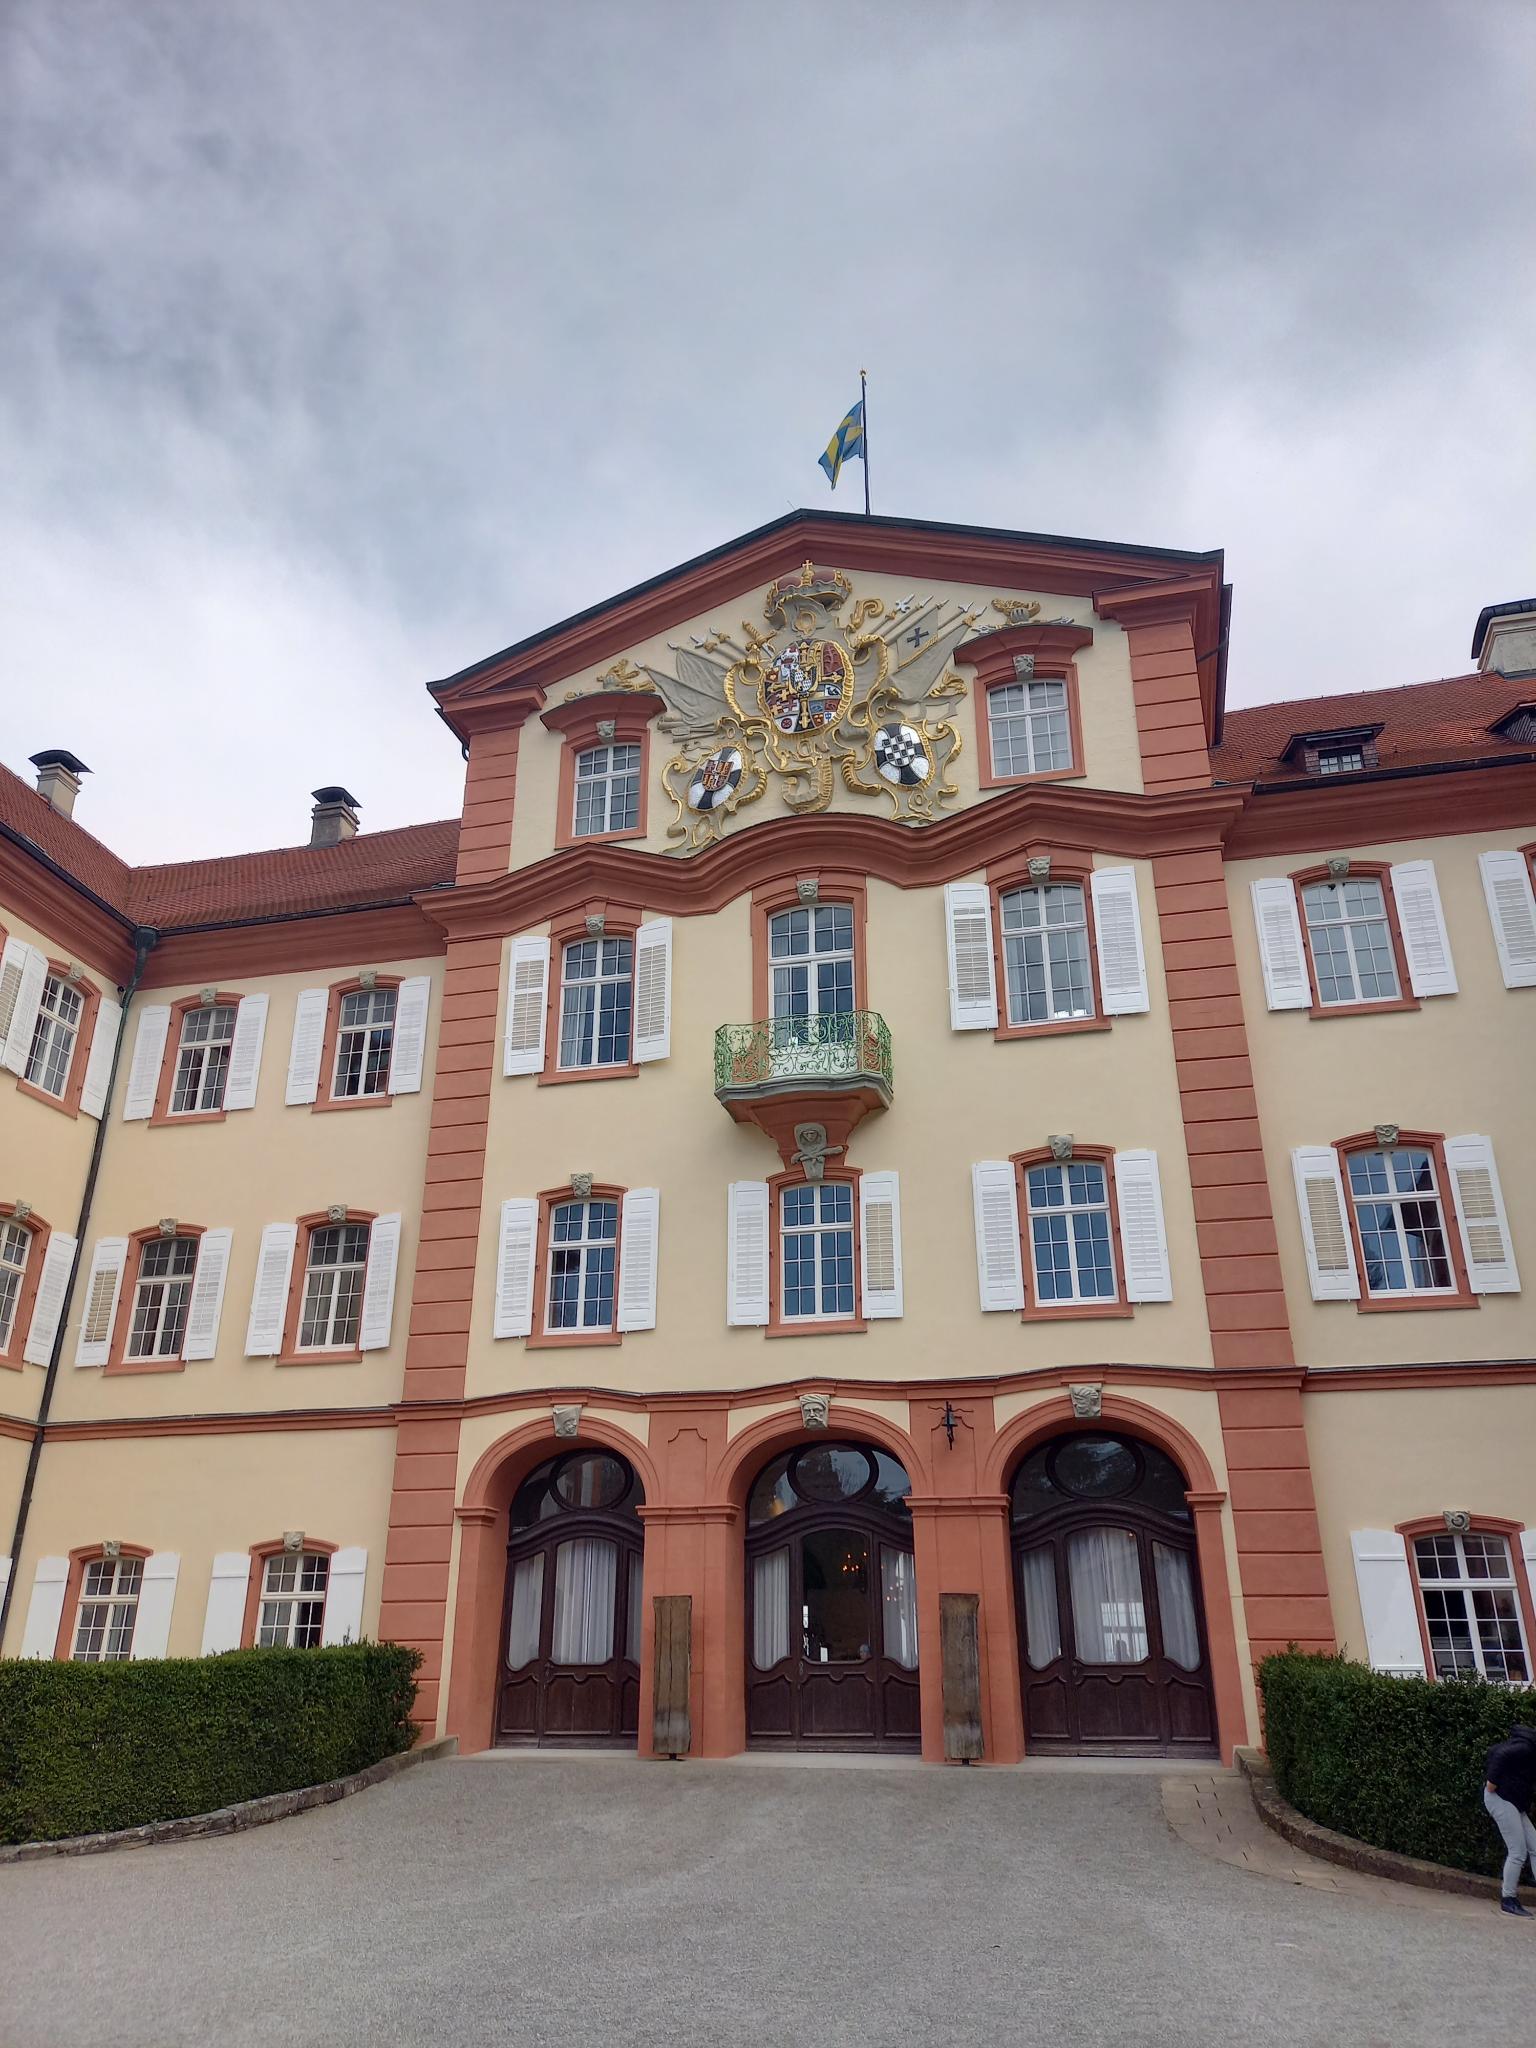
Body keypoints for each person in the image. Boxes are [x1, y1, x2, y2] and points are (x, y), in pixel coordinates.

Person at [1484, 1723, 1536, 1916]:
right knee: (1518, 1851)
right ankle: (1508, 1900)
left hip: (1514, 1801)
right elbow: (1500, 1754)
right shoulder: (1527, 1748)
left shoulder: (1529, 1748)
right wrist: (1491, 1783)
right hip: (1501, 1799)